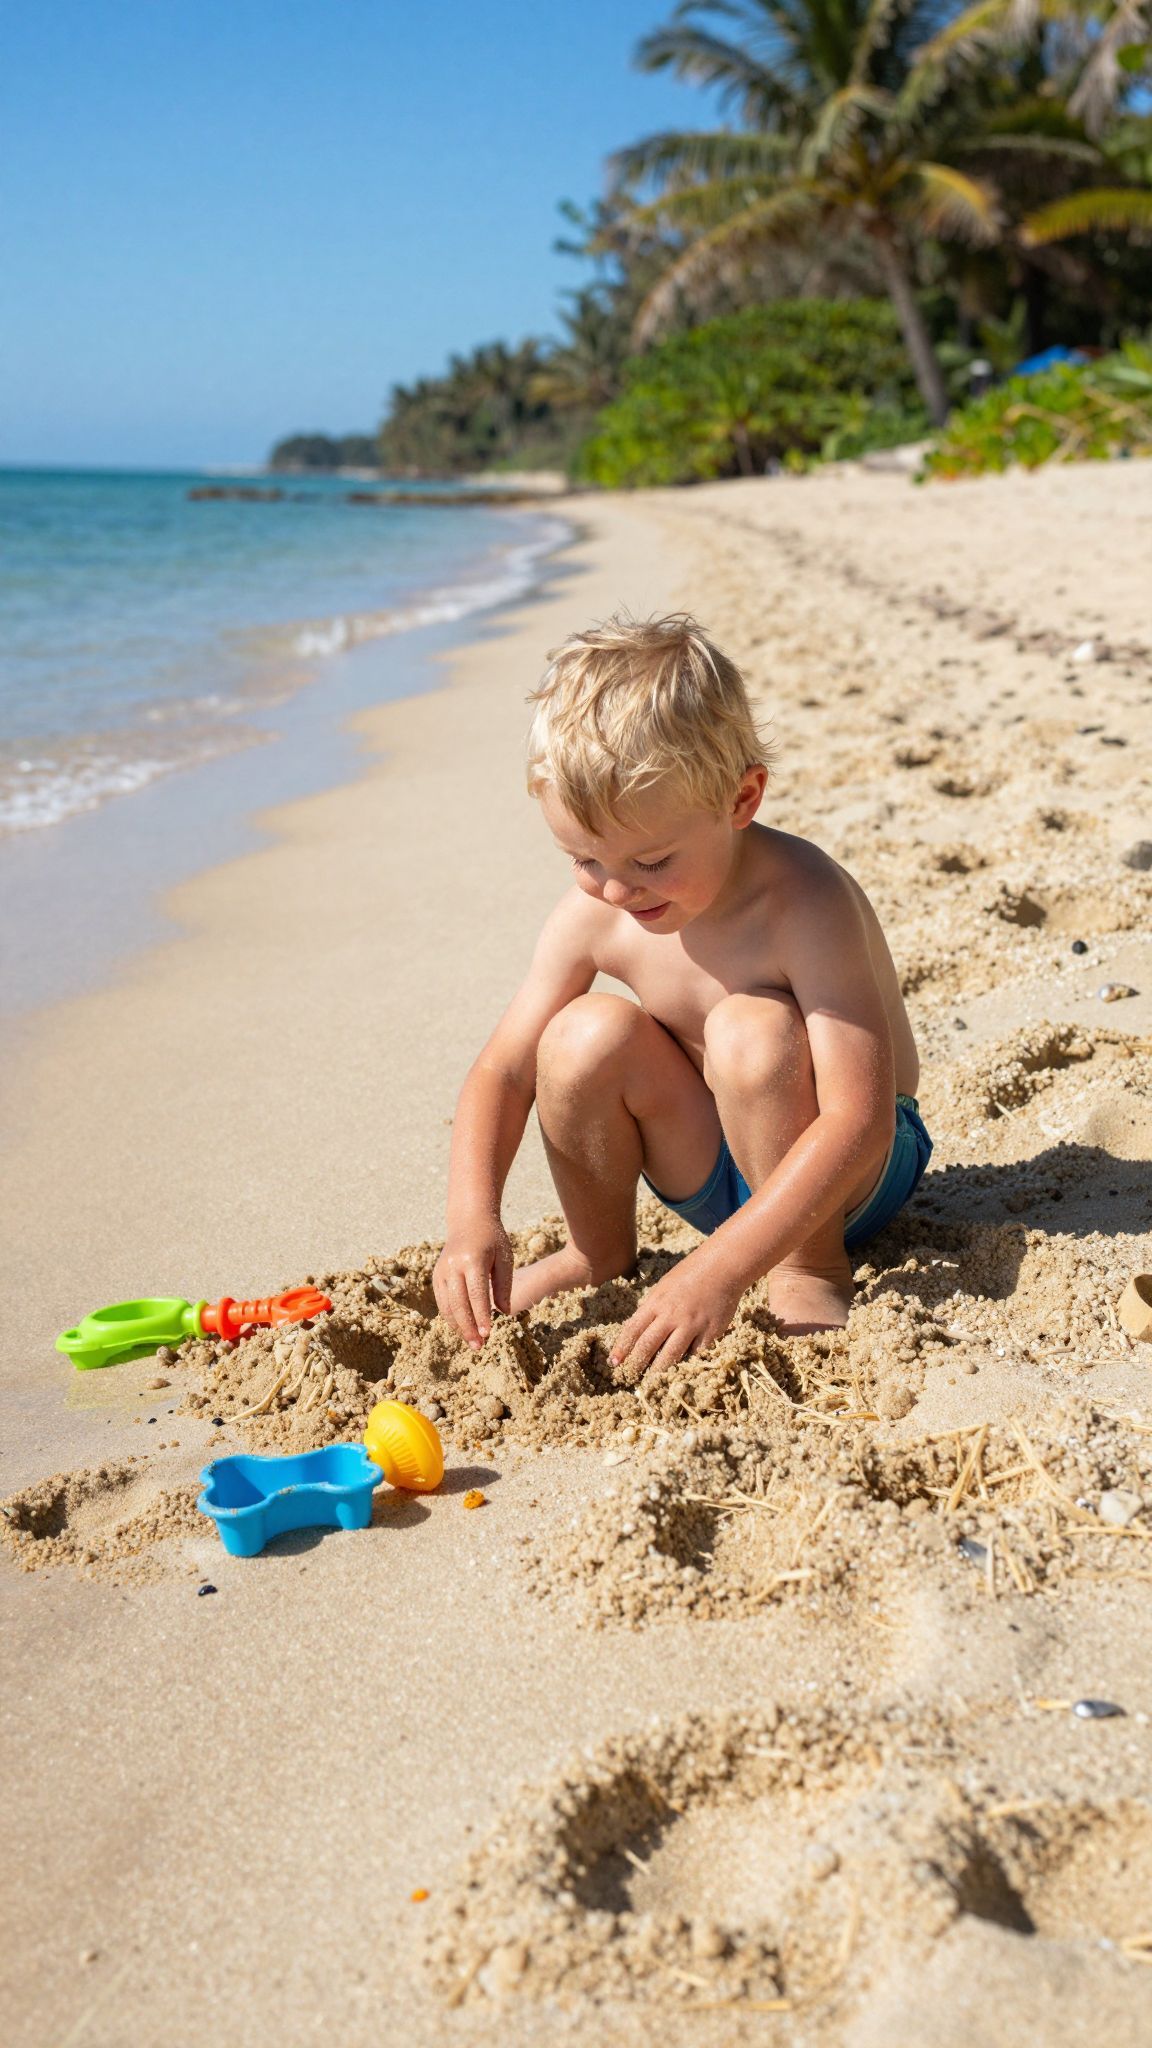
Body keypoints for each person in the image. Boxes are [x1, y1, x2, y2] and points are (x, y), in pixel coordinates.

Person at [432, 613, 931, 1376]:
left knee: (749, 1030)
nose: (617, 887)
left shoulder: (803, 903)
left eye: (653, 860)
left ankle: (806, 1269)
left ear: (742, 800)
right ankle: (595, 1251)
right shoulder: (599, 911)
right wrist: (472, 1219)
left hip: (851, 1177)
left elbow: (859, 1120)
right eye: (584, 857)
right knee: (575, 1035)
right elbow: (503, 1071)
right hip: (712, 1164)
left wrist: (719, 1271)